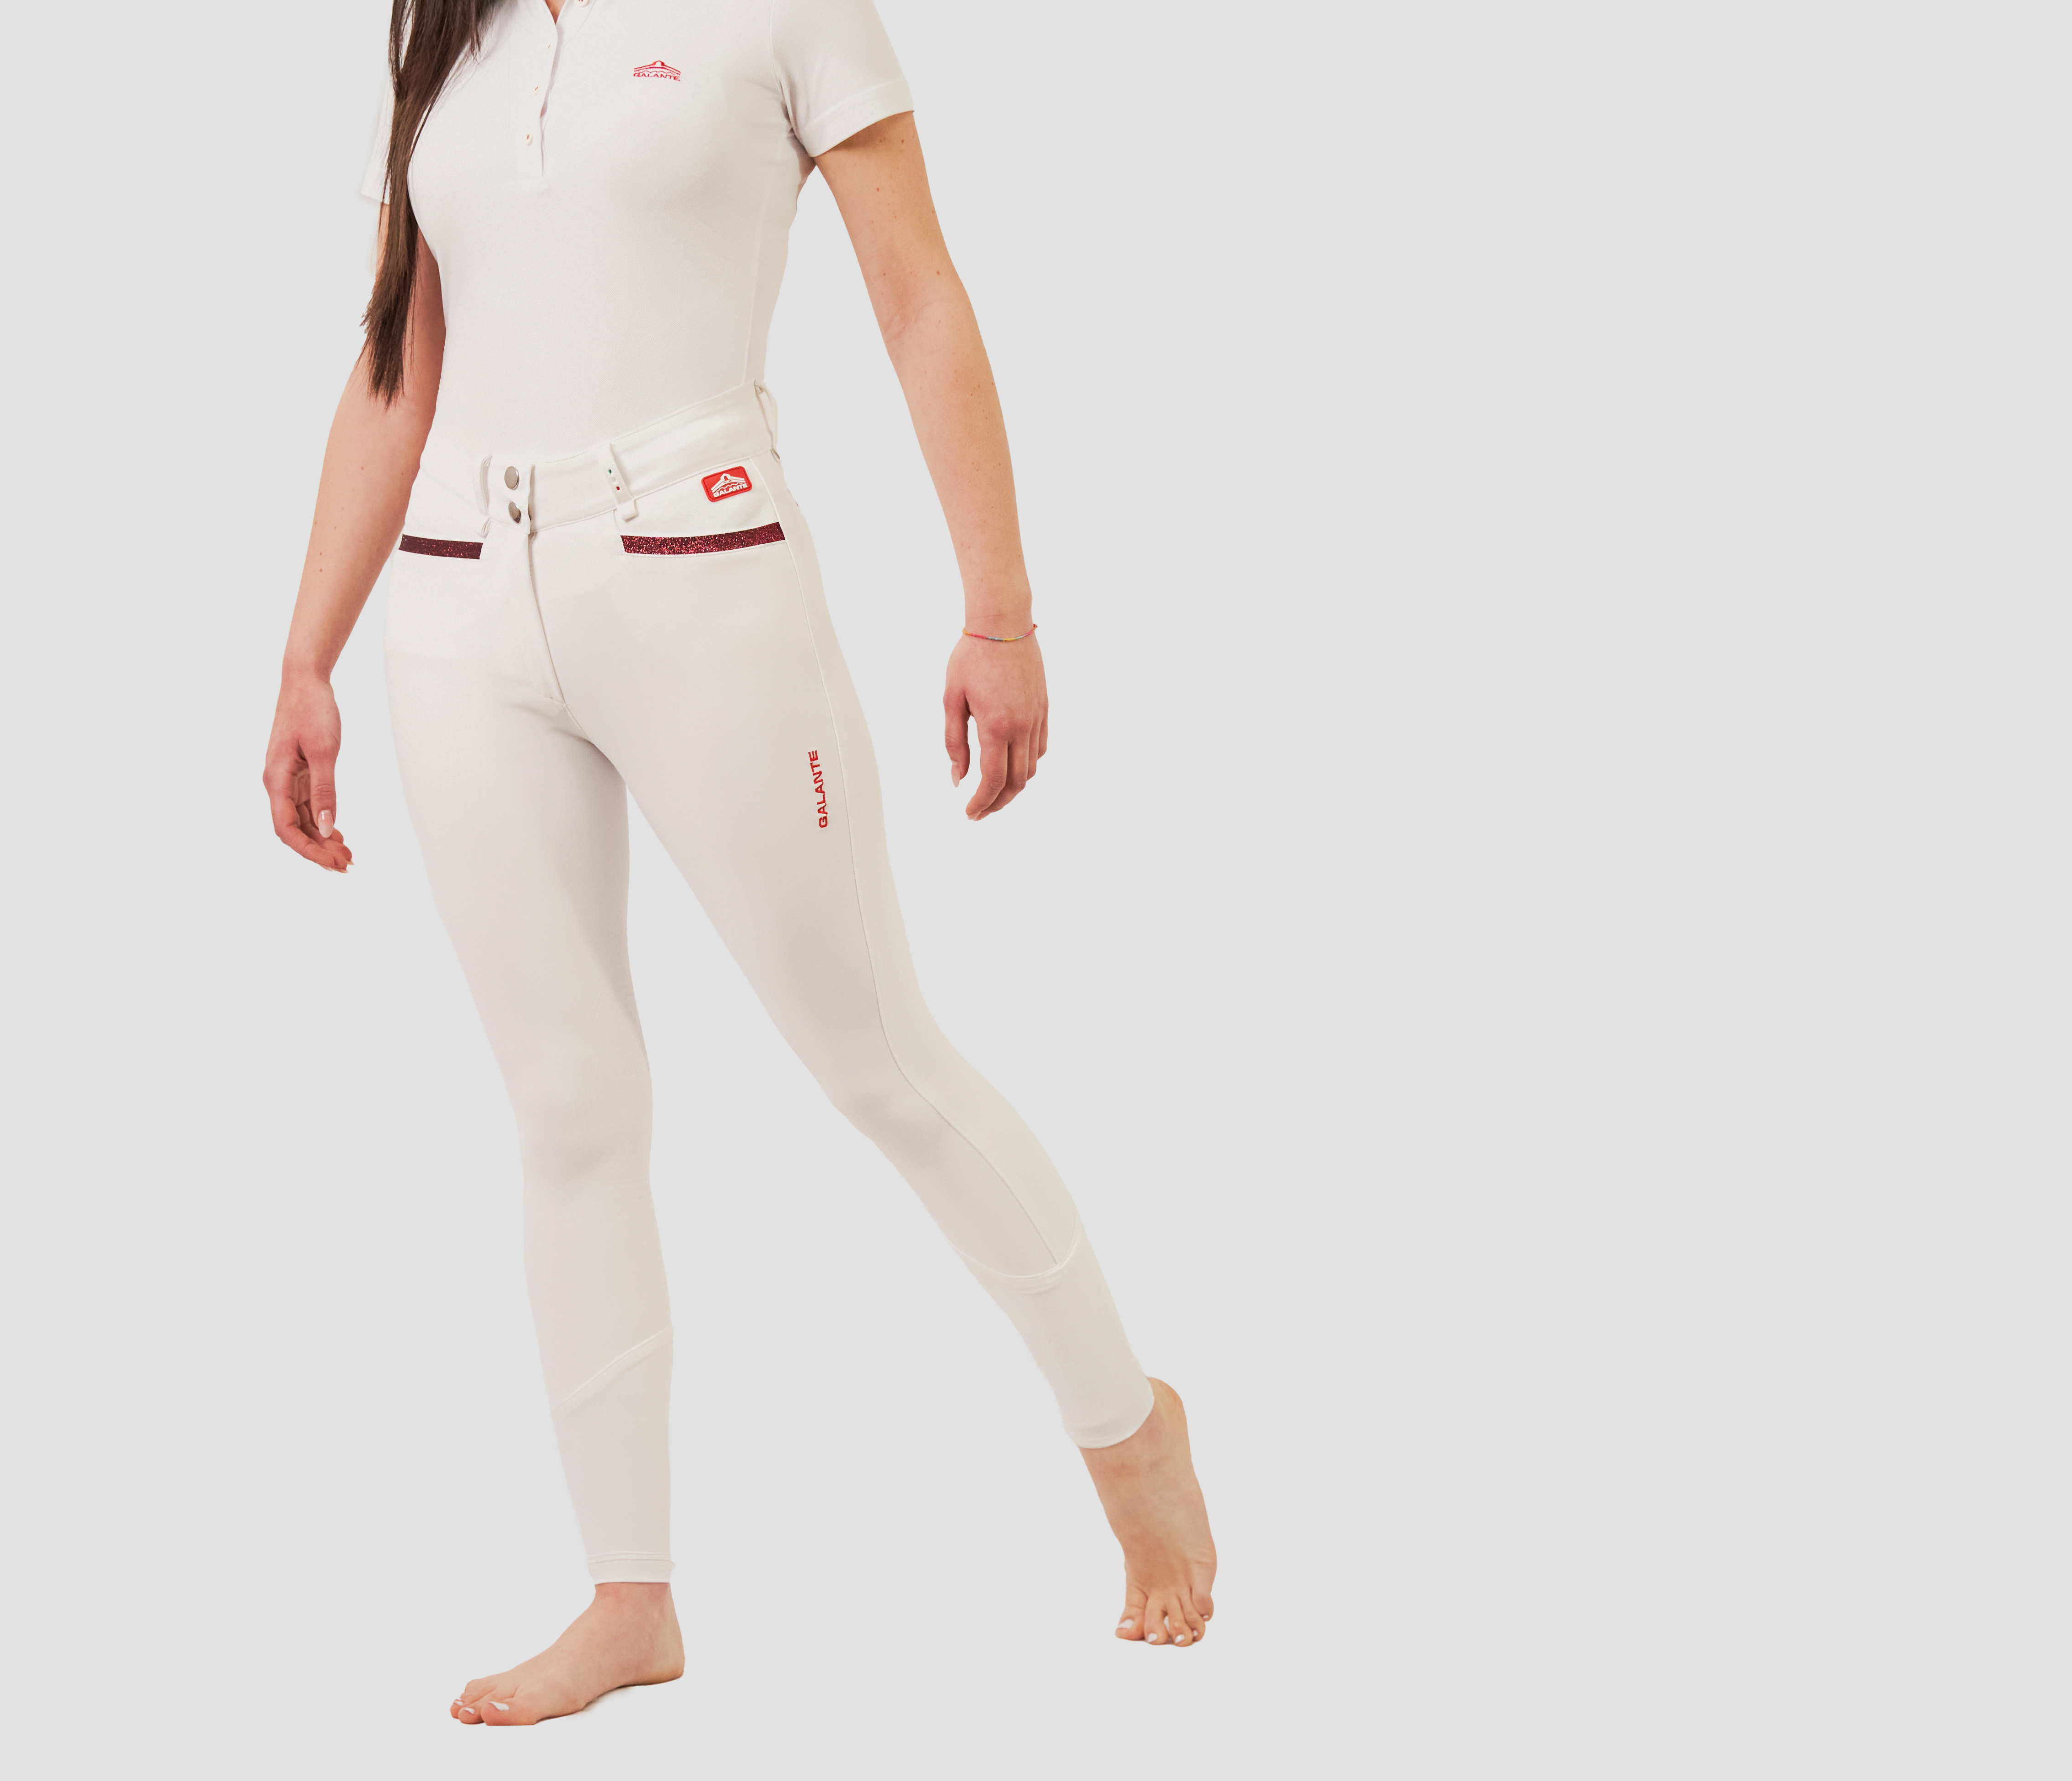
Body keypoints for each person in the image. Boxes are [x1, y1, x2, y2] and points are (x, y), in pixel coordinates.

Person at [264, 0, 1217, 1726]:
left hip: (699, 570)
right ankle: (628, 1597)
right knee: (568, 1107)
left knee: (880, 1062)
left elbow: (919, 297)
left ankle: (1128, 1428)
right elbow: (401, 353)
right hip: (460, 602)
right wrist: (305, 654)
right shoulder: (446, 26)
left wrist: (999, 611)